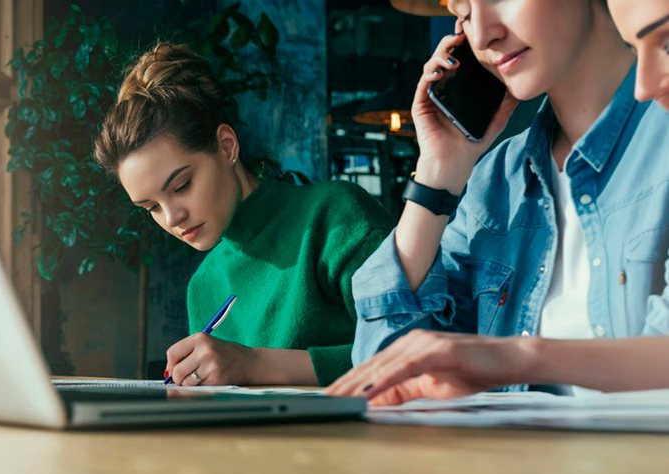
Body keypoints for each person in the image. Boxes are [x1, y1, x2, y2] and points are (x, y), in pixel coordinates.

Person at [328, 0, 669, 403]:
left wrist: (518, 357)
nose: (483, 33)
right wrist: (437, 176)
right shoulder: (495, 180)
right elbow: (383, 374)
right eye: (464, 13)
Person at [94, 43, 392, 387]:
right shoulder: (203, 286)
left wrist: (255, 365)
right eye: (151, 208)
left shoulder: (335, 218)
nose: (172, 217)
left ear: (226, 147)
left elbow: (419, 351)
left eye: (182, 186)